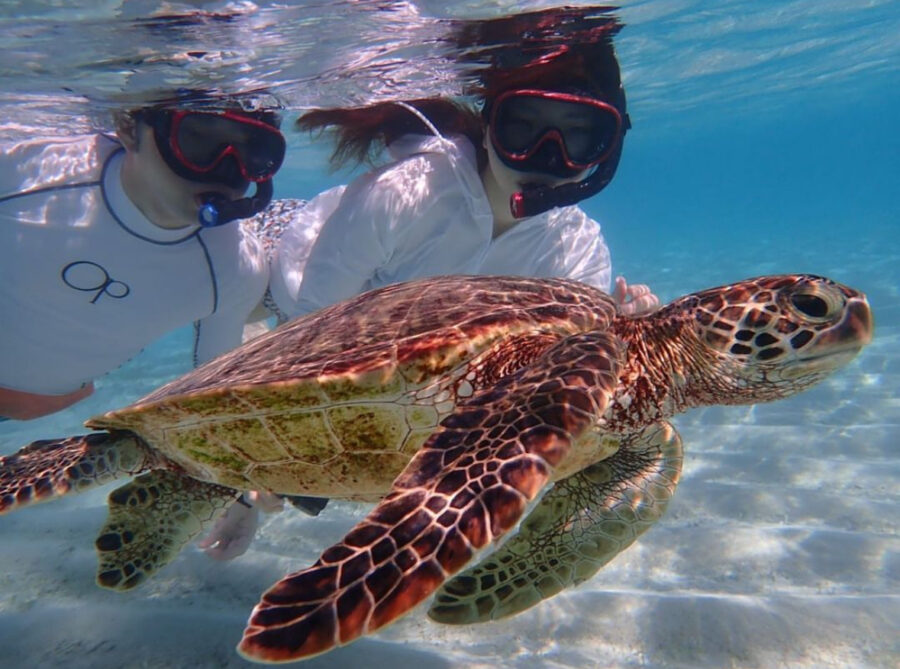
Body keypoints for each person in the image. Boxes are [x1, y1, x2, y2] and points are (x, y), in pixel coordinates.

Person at [202, 16, 660, 561]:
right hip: (294, 266)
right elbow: (313, 328)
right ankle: (248, 495)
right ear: (491, 128)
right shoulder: (409, 193)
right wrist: (262, 467)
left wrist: (629, 343)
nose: (547, 156)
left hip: (402, 349)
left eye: (580, 136)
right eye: (524, 129)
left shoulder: (577, 250)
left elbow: (547, 385)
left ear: (607, 150)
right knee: (238, 316)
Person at [0, 95, 287, 421]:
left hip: (38, 410)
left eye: (254, 152)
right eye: (199, 138)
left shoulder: (236, 270)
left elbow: (212, 398)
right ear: (127, 127)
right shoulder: (20, 170)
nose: (223, 171)